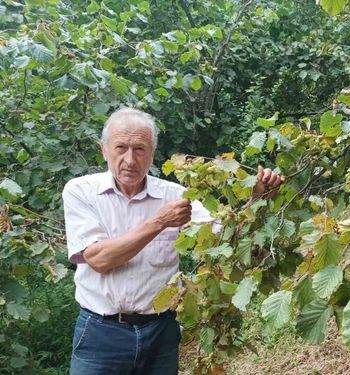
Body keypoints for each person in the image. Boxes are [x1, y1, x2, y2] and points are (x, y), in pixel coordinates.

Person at [62, 108, 284, 374]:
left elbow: (224, 234)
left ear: (152, 154)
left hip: (160, 332)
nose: (130, 159)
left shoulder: (175, 196)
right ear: (104, 150)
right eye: (120, 147)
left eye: (140, 149)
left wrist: (257, 197)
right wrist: (159, 222)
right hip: (101, 333)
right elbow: (99, 259)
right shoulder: (81, 192)